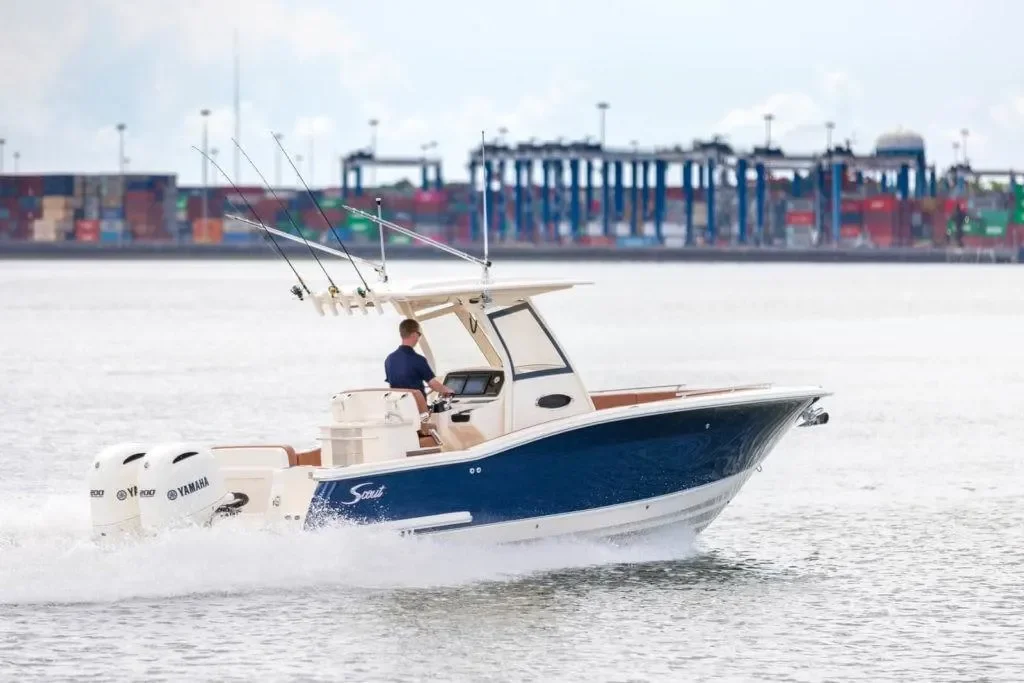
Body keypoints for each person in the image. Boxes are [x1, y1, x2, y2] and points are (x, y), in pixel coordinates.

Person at [384, 318, 453, 416]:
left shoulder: (389, 359)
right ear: (414, 334)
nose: (418, 337)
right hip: (418, 413)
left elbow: (394, 386)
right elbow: (433, 385)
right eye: (419, 334)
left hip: (399, 413)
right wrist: (448, 390)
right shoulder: (418, 360)